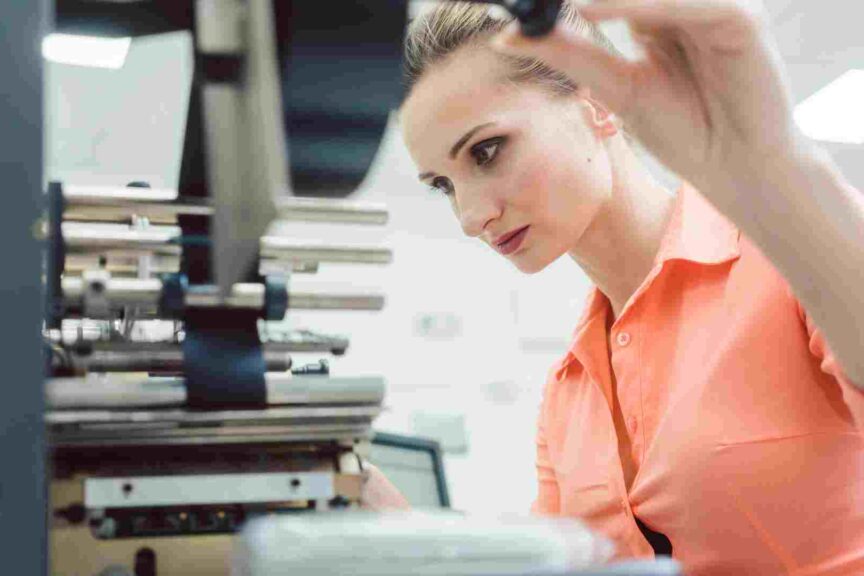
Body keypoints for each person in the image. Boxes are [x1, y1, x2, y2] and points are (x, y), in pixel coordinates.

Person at [363, 1, 864, 573]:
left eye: (486, 151)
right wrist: (405, 537)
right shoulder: (567, 393)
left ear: (596, 103)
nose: (470, 215)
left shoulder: (792, 255)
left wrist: (772, 169)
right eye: (442, 186)